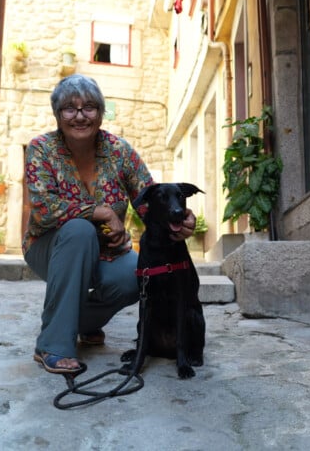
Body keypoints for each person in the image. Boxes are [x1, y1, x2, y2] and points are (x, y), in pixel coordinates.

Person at [22, 74, 196, 374]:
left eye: (89, 107)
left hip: (108, 254)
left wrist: (179, 218)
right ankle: (53, 344)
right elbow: (43, 209)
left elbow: (148, 200)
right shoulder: (41, 149)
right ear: (57, 114)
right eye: (69, 108)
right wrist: (101, 212)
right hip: (50, 247)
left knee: (137, 273)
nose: (79, 116)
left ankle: (81, 323)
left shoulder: (119, 152)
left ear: (100, 114)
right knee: (79, 231)